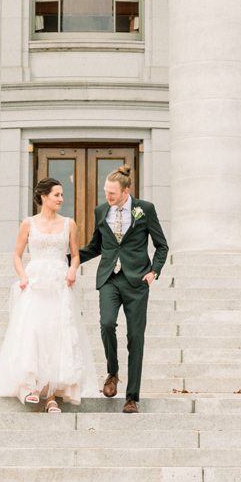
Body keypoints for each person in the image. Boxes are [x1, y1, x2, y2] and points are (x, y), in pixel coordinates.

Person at [0, 178, 98, 411]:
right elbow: (17, 255)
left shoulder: (69, 224)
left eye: (62, 195)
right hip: (35, 282)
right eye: (57, 195)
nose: (61, 199)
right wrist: (22, 278)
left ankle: (52, 395)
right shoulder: (28, 223)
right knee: (34, 332)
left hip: (60, 283)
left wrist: (73, 270)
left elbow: (74, 254)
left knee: (57, 335)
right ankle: (31, 387)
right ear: (43, 196)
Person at [78, 165, 168, 412]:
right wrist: (68, 258)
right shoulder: (101, 211)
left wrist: (154, 272)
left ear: (126, 191)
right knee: (106, 324)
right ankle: (113, 372)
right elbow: (96, 246)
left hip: (137, 281)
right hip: (109, 278)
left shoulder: (145, 210)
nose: (108, 197)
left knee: (135, 338)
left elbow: (162, 246)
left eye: (113, 194)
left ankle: (132, 398)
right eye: (106, 192)